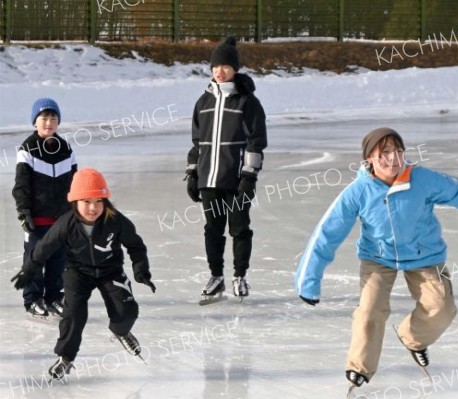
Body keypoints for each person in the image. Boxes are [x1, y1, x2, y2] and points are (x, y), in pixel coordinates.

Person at [295, 128, 458, 389]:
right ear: (369, 158)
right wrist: (309, 281)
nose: (393, 159)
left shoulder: (422, 179)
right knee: (370, 311)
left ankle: (412, 337)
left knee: (442, 308)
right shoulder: (358, 191)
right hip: (378, 258)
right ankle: (360, 367)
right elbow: (327, 233)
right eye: (384, 153)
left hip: (424, 255)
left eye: (397, 151)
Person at [11, 168, 156, 380]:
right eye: (86, 201)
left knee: (127, 310)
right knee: (73, 315)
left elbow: (135, 244)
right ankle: (66, 358)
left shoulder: (115, 220)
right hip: (77, 271)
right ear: (75, 202)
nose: (93, 207)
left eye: (99, 201)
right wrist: (29, 270)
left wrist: (141, 269)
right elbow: (44, 247)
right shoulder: (66, 223)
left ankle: (121, 331)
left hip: (110, 270)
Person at [185, 36, 267, 301]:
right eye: (215, 67)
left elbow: (256, 141)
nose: (219, 72)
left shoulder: (247, 102)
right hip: (209, 178)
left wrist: (249, 175)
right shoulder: (203, 101)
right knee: (212, 229)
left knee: (239, 228)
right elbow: (198, 141)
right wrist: (192, 171)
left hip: (236, 179)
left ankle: (240, 276)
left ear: (235, 69)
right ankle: (216, 276)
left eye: (225, 67)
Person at [12, 97, 77, 319]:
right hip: (36, 219)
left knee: (58, 261)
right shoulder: (27, 149)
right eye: (43, 118)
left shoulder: (66, 149)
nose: (48, 122)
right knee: (34, 260)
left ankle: (53, 297)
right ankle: (32, 299)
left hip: (61, 219)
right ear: (35, 122)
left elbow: (75, 184)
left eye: (53, 118)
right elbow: (21, 186)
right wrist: (24, 213)